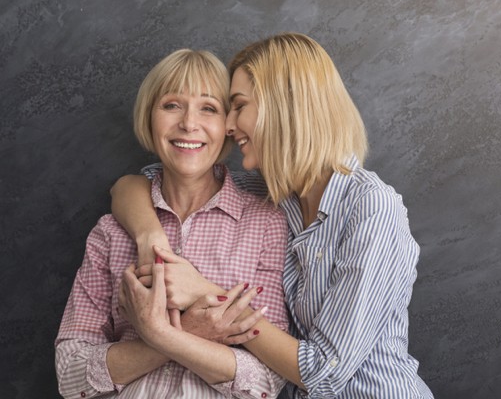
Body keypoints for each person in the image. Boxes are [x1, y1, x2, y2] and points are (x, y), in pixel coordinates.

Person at [111, 33, 434, 398]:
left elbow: (323, 375)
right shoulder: (271, 194)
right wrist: (150, 238)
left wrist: (206, 293)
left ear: (284, 108)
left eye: (239, 106)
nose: (229, 126)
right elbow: (135, 183)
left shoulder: (371, 208)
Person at [55, 48, 290, 399]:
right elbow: (71, 375)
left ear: (228, 125)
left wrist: (163, 335)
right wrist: (187, 333)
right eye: (171, 105)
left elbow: (266, 382)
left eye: (208, 108)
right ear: (149, 117)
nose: (189, 124)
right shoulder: (111, 231)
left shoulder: (265, 225)